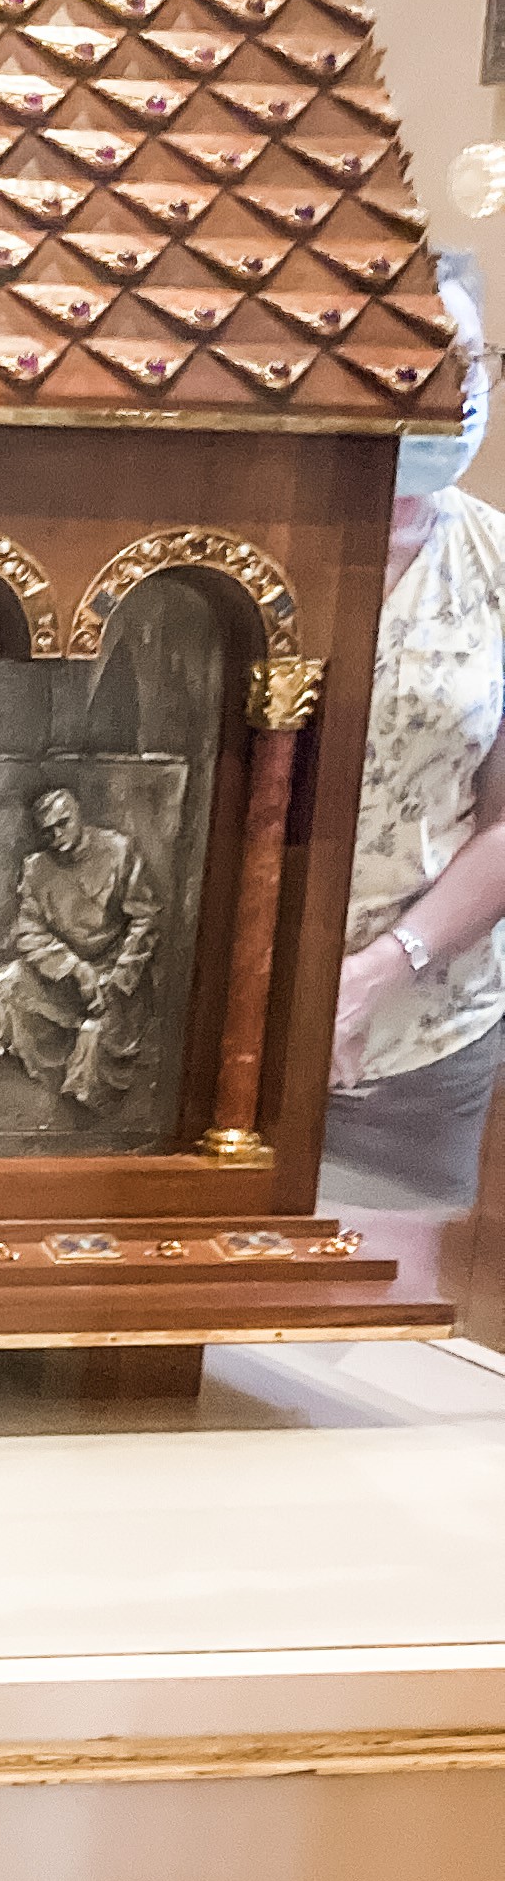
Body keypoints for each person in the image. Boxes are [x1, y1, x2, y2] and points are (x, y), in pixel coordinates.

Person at [320, 266, 505, 1210]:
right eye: (422, 362)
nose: (457, 390)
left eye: (474, 363)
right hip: (209, 1025)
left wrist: (378, 974)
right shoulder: (262, 531)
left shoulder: (500, 562)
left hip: (420, 1033)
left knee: (373, 1308)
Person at [0, 783, 162, 1109]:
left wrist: (116, 978)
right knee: (6, 983)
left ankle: (83, 1107)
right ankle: (36, 1084)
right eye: (48, 831)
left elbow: (145, 921)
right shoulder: (35, 868)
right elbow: (29, 932)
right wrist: (75, 970)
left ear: (77, 815)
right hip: (65, 974)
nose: (57, 837)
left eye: (63, 823)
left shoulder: (120, 851)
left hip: (117, 975)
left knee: (94, 1041)